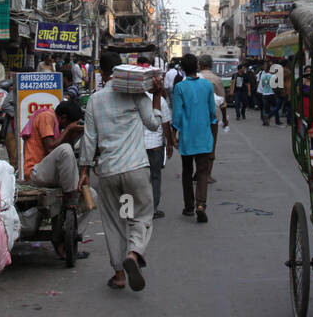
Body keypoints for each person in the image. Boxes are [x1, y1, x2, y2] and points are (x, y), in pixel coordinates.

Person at [79, 51, 162, 291]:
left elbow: (89, 139)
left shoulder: (95, 99)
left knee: (115, 222)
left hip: (109, 172)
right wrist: (156, 97)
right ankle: (134, 253)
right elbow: (153, 124)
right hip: (135, 168)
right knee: (140, 216)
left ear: (102, 73)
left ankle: (119, 275)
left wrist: (84, 170)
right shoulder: (136, 93)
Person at [25, 99, 85, 259]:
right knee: (65, 149)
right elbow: (51, 147)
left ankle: (62, 237)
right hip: (35, 172)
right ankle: (70, 195)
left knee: (88, 194)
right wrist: (69, 130)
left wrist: (72, 133)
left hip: (47, 172)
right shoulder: (47, 116)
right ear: (64, 118)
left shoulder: (57, 124)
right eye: (69, 123)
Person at [173, 53, 218, 222]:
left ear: (183, 69)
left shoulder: (180, 88)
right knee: (202, 172)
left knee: (187, 172)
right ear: (197, 67)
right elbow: (213, 113)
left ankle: (189, 207)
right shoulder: (207, 86)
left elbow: (177, 115)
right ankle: (201, 205)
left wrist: (173, 136)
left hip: (187, 137)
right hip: (204, 135)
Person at [144, 87, 173, 219]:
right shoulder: (161, 100)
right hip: (155, 145)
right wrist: (169, 143)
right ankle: (154, 209)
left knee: (142, 179)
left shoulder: (137, 99)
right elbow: (166, 123)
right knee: (155, 177)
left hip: (139, 145)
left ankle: (141, 207)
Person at [257, 61, 277, 125]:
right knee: (274, 107)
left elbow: (262, 84)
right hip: (270, 93)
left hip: (265, 93)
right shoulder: (272, 76)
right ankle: (268, 118)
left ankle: (266, 119)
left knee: (266, 108)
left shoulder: (264, 76)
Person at [269, 57, 288, 125]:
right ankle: (268, 116)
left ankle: (276, 120)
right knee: (278, 106)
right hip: (282, 91)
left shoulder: (277, 70)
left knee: (277, 106)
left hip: (276, 90)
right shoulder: (285, 71)